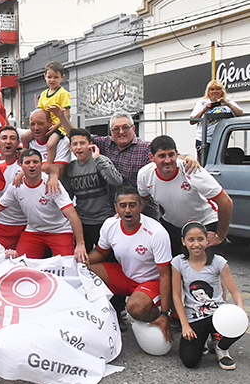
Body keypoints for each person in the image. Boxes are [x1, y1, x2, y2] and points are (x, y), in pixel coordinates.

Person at [85, 186, 173, 342]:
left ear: (140, 206)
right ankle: (99, 319)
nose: (127, 210)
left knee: (135, 308)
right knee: (86, 270)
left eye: (132, 205)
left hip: (151, 281)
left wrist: (165, 313)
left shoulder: (156, 232)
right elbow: (100, 253)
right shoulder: (109, 225)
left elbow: (165, 275)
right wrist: (80, 261)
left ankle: (161, 313)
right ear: (116, 208)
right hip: (125, 276)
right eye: (123, 205)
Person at [0, 149, 87, 262]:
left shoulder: (52, 184)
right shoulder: (16, 185)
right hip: (33, 231)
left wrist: (80, 244)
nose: (32, 165)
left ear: (41, 164)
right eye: (27, 163)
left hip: (60, 230)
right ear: (20, 165)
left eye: (35, 162)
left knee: (66, 266)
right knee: (21, 264)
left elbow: (72, 215)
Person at [137, 135, 233, 255]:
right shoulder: (144, 174)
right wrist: (127, 215)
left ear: (177, 154)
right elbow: (143, 199)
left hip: (204, 225)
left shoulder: (192, 170)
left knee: (205, 270)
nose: (167, 160)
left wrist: (220, 235)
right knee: (174, 268)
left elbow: (226, 202)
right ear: (152, 157)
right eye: (162, 156)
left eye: (171, 155)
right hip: (173, 226)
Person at [172, 221, 245, 370]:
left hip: (218, 313)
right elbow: (176, 296)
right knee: (189, 361)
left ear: (207, 240)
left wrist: (241, 309)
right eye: (191, 240)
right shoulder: (178, 263)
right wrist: (185, 325)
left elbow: (236, 292)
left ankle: (222, 348)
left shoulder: (218, 262)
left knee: (241, 323)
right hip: (194, 316)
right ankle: (204, 340)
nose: (196, 244)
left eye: (200, 239)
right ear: (184, 242)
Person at [62, 128, 123, 252]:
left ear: (90, 145)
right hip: (82, 222)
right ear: (70, 148)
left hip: (104, 220)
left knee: (109, 259)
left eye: (82, 143)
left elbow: (117, 181)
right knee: (83, 260)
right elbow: (67, 196)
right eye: (75, 144)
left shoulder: (101, 160)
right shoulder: (70, 168)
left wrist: (98, 158)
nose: (79, 147)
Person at [20, 61, 71, 172]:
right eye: (49, 77)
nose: (52, 80)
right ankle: (23, 158)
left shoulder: (63, 93)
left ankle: (49, 164)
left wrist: (56, 126)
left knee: (50, 144)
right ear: (45, 77)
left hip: (59, 127)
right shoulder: (43, 94)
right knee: (24, 137)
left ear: (62, 77)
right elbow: (40, 111)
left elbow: (67, 114)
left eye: (56, 77)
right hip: (45, 125)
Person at [0, 126, 27, 250]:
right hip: (2, 225)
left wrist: (24, 171)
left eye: (12, 138)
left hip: (27, 225)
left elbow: (48, 168)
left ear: (18, 143)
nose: (8, 141)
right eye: (4, 138)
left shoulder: (26, 163)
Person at [190, 80, 243, 149]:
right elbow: (192, 121)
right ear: (208, 92)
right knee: (205, 159)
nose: (215, 91)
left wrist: (228, 104)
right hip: (204, 139)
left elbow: (240, 114)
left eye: (218, 89)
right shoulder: (202, 102)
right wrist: (204, 110)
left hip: (221, 138)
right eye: (212, 89)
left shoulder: (228, 101)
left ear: (222, 91)